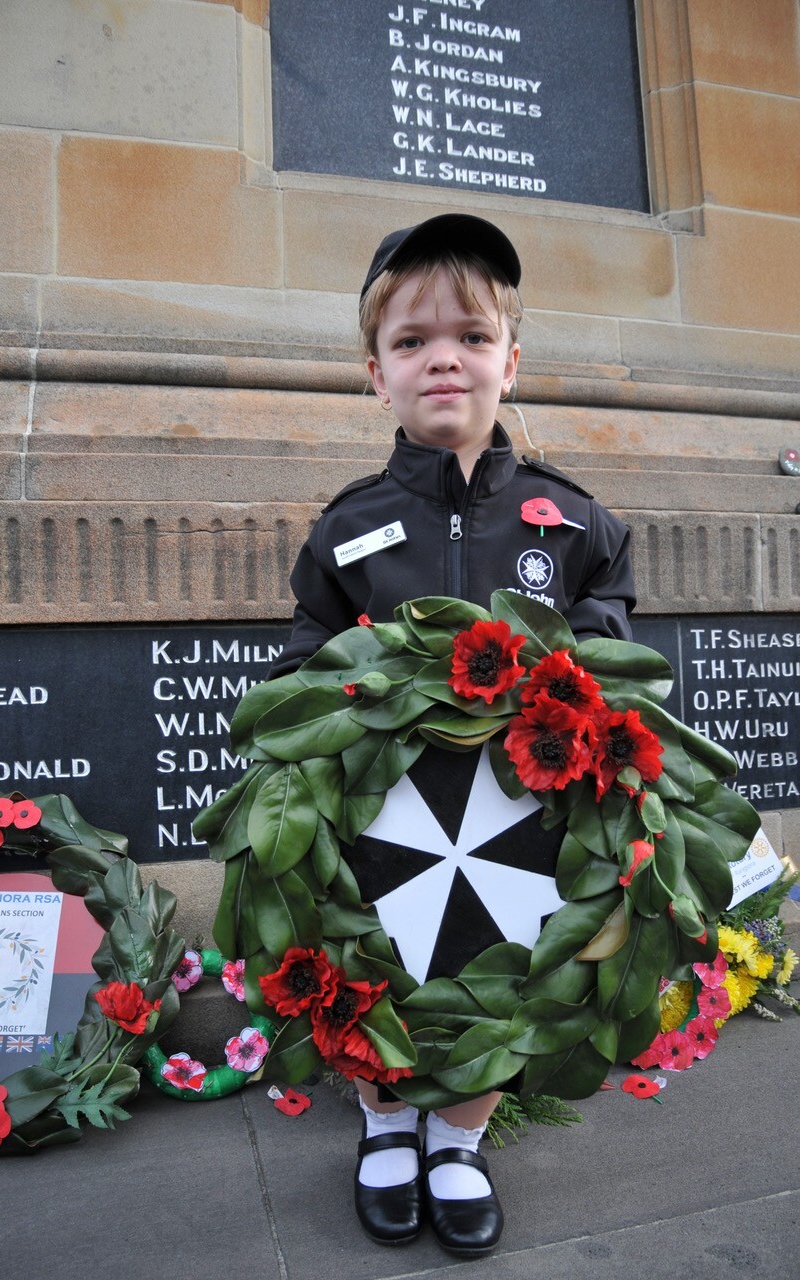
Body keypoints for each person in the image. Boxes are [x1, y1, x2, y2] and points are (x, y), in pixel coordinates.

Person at [269, 213, 636, 1257]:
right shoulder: (347, 526)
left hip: (522, 820)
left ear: (510, 362)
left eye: (472, 336)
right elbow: (305, 652)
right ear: (375, 375)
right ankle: (386, 1123)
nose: (444, 358)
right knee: (376, 958)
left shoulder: (575, 522)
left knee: (499, 968)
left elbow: (613, 641)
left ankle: (461, 1139)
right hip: (381, 818)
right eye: (412, 340)